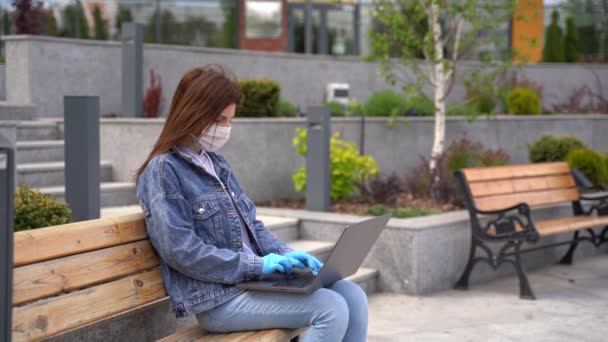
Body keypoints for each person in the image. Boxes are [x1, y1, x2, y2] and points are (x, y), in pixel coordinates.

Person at [134, 64, 368, 341]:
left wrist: (283, 254)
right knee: (330, 308)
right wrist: (257, 266)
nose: (225, 128)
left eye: (230, 120)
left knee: (352, 295)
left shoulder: (216, 163)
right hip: (219, 298)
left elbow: (252, 227)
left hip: (252, 284)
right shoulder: (163, 170)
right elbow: (182, 251)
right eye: (220, 119)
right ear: (192, 113)